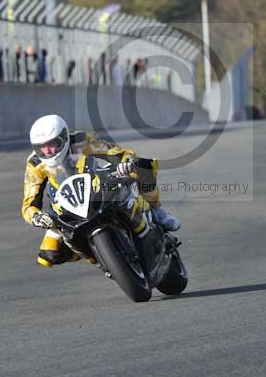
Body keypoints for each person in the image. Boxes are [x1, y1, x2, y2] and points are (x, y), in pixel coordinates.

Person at [21, 114, 181, 267]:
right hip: (65, 203)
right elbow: (29, 204)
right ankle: (99, 259)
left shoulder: (81, 140)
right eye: (41, 147)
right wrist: (36, 217)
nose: (47, 151)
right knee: (48, 255)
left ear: (64, 137)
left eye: (52, 144)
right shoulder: (35, 163)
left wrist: (126, 162)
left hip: (95, 185)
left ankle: (157, 210)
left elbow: (118, 153)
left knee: (143, 166)